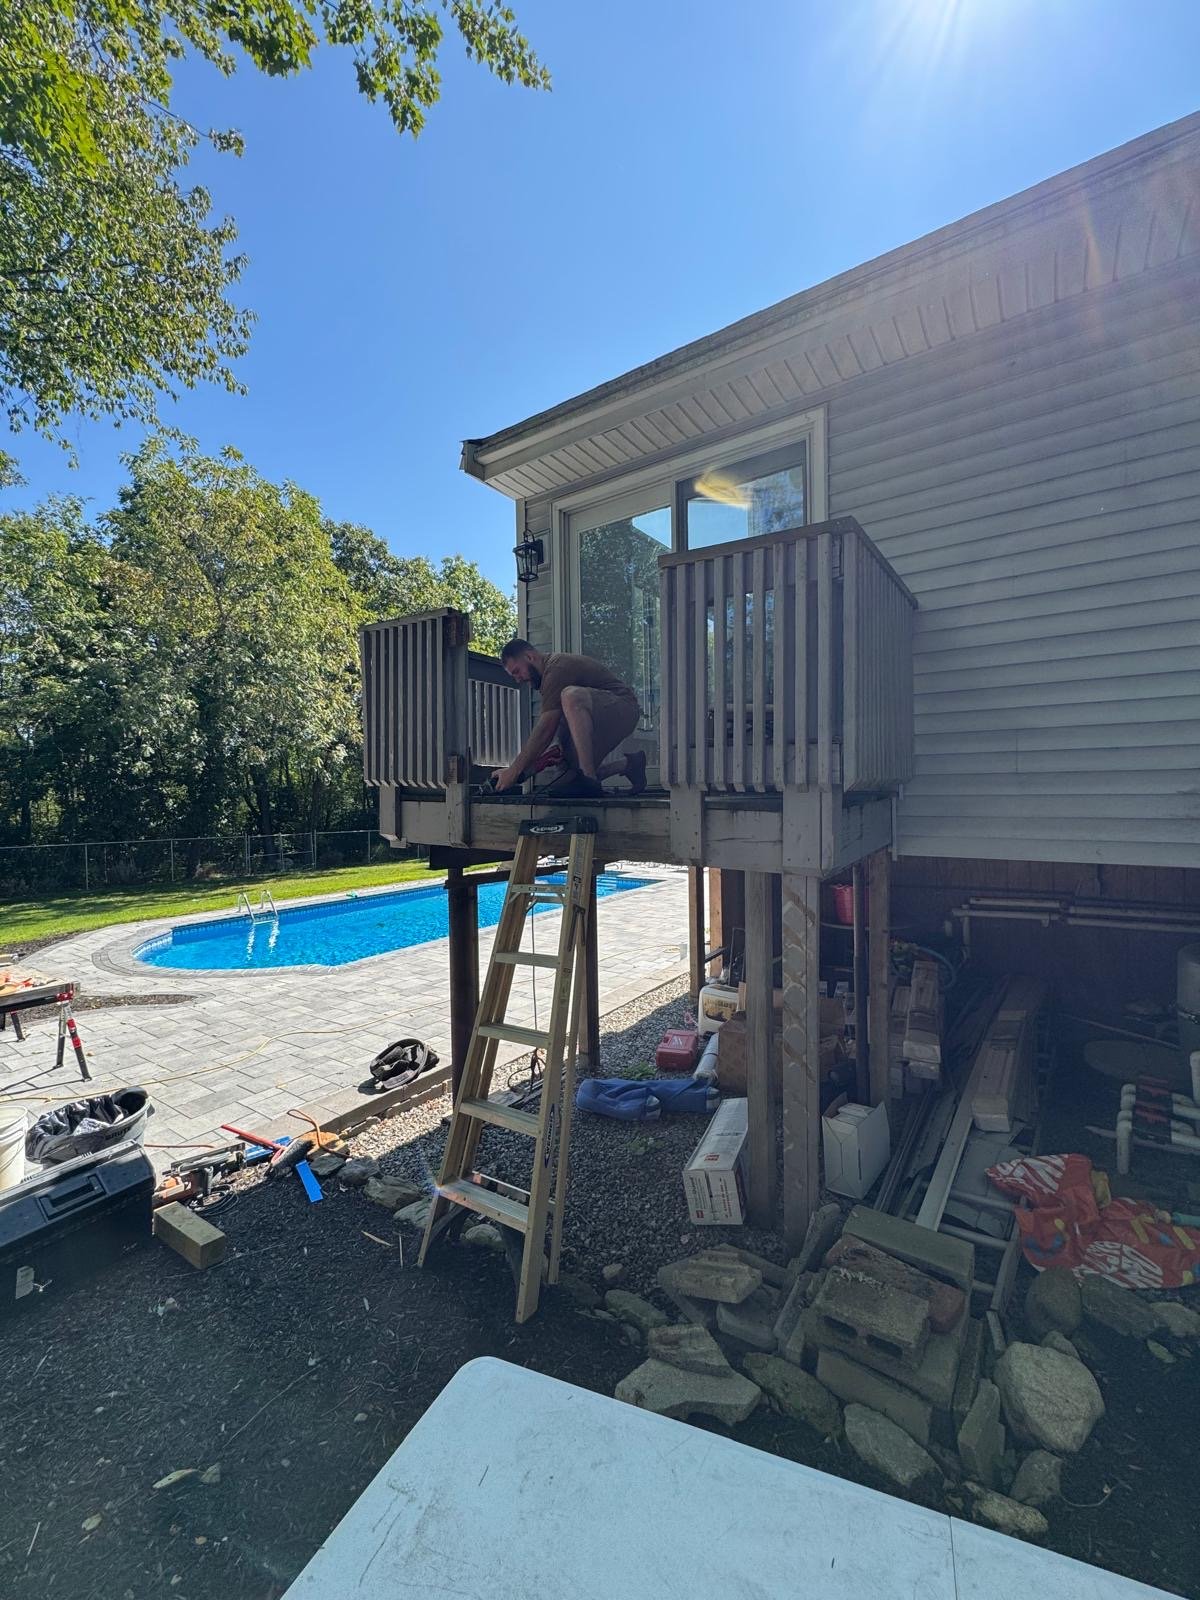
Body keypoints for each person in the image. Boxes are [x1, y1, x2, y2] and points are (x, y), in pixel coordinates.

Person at [492, 639, 648, 799]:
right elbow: (553, 727)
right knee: (568, 780)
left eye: (517, 671)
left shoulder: (557, 668)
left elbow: (546, 729)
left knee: (571, 696)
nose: (518, 680)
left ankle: (589, 779)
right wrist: (515, 772)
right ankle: (630, 764)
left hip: (624, 707)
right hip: (601, 714)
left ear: (529, 657)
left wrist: (515, 770)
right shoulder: (547, 679)